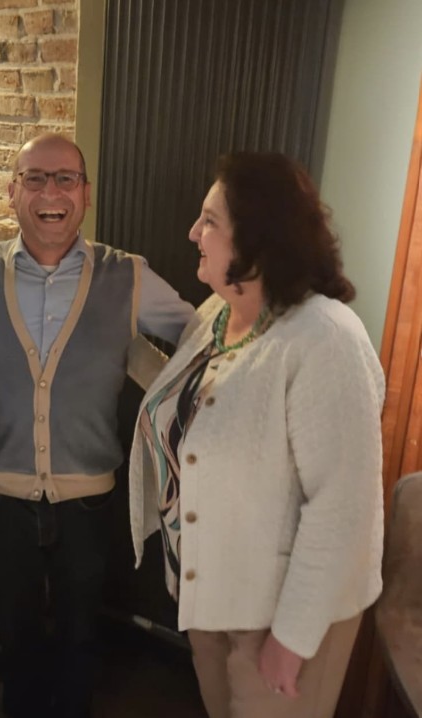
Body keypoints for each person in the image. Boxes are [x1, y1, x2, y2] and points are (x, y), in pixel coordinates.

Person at [0, 132, 195, 718]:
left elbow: (198, 340)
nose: (51, 192)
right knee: (16, 640)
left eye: (65, 178)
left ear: (86, 193)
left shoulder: (127, 276)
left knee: (80, 639)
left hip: (89, 503)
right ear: (12, 192)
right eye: (35, 178)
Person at [129, 151, 385, 718]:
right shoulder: (218, 315)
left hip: (282, 617)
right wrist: (119, 349)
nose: (193, 233)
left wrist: (292, 639)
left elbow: (344, 506)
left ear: (259, 239)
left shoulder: (325, 338)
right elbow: (204, 406)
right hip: (211, 595)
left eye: (209, 221)